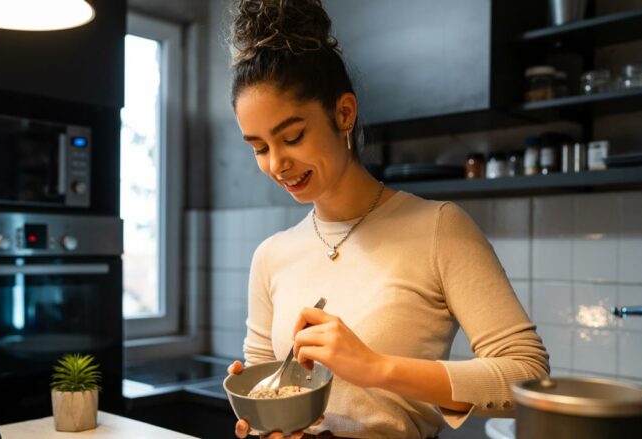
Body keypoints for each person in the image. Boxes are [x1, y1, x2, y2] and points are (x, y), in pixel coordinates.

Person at [225, 1, 550, 438]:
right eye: (259, 148)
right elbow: (268, 396)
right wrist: (266, 426)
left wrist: (375, 367)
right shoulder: (272, 255)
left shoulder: (439, 228)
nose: (277, 164)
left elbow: (527, 377)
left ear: (343, 113)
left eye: (292, 137)